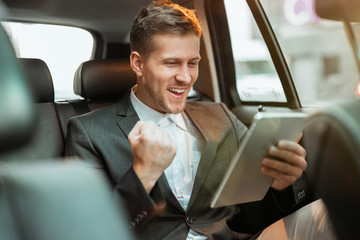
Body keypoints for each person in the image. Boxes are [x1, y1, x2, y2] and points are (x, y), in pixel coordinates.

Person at [65, 1, 335, 239]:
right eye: (171, 63)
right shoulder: (88, 132)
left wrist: (283, 184)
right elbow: (88, 230)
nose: (185, 78)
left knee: (331, 212)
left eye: (192, 63)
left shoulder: (219, 115)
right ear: (138, 64)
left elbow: (251, 206)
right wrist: (143, 175)